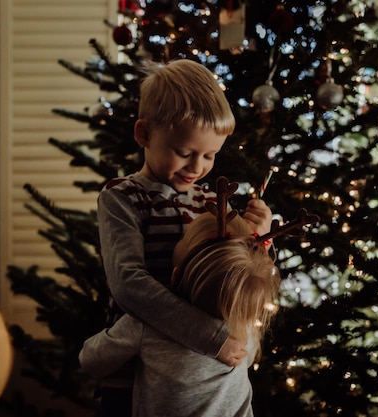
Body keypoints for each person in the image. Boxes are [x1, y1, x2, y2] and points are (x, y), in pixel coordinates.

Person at [95, 58, 273, 414]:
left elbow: (241, 268)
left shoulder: (213, 201)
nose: (198, 167)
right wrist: (210, 336)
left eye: (210, 155)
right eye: (185, 153)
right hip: (134, 369)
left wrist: (260, 236)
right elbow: (128, 284)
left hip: (201, 371)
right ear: (144, 134)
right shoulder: (123, 197)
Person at [80, 212, 280, 416]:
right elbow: (249, 358)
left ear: (175, 275)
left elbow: (91, 360)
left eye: (183, 238)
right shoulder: (245, 327)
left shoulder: (150, 321)